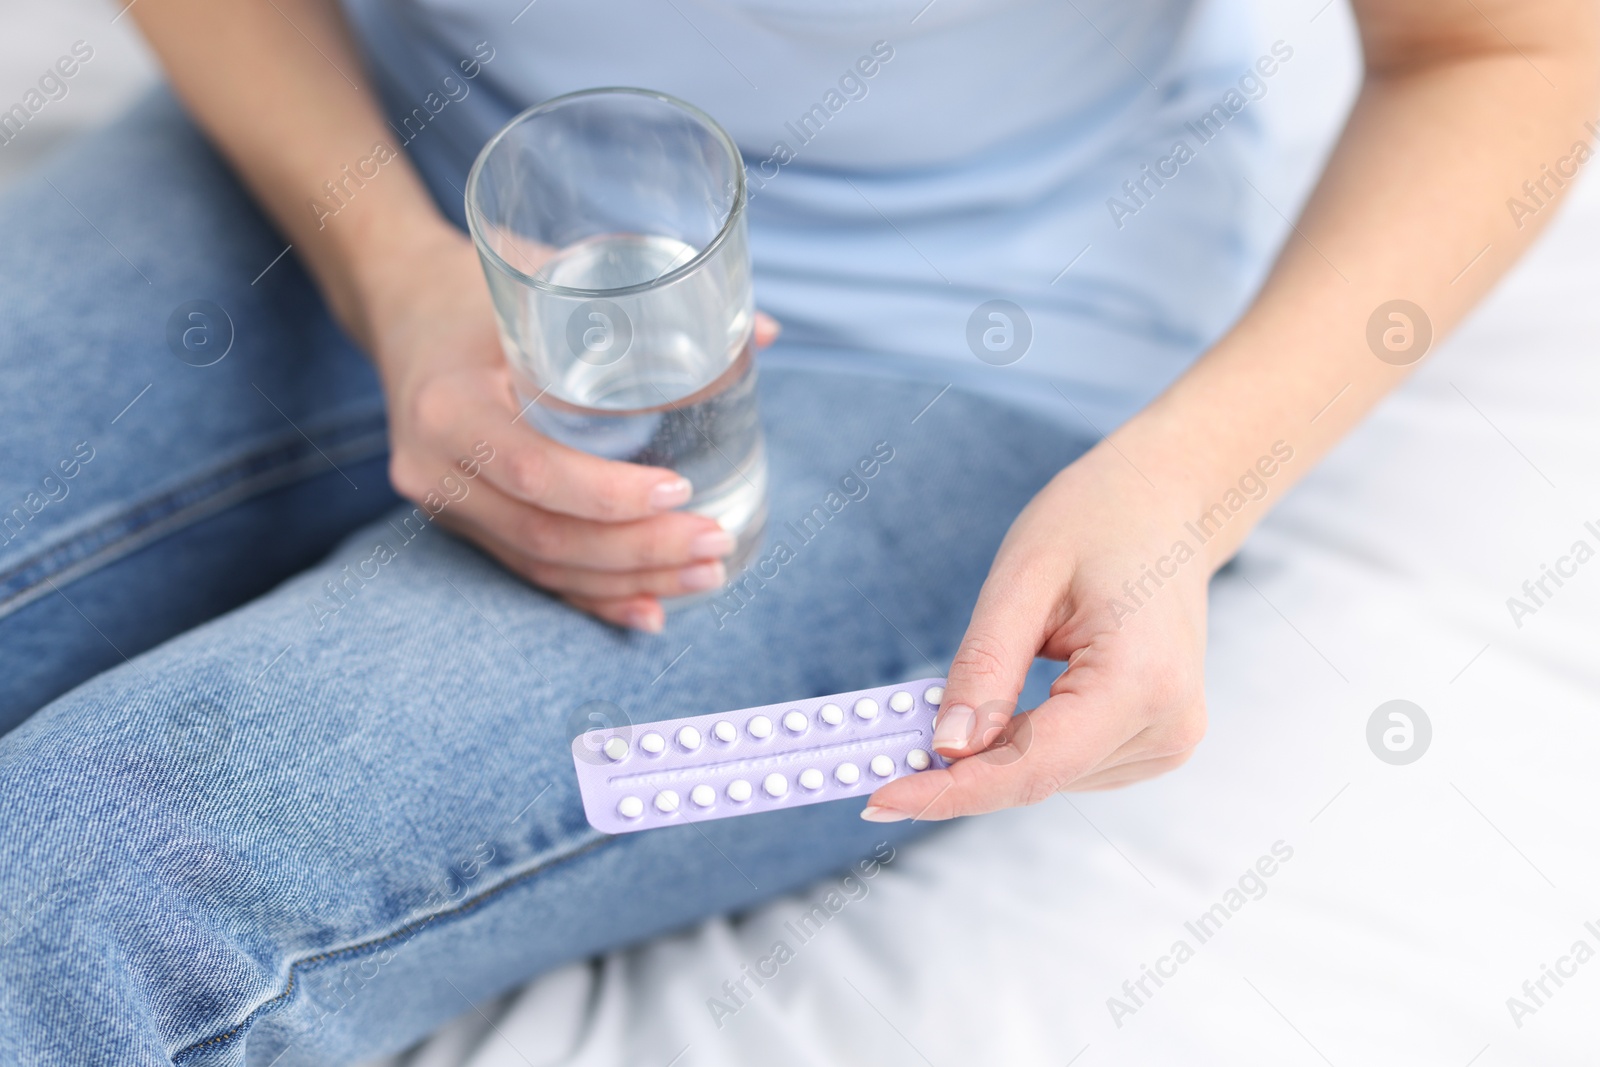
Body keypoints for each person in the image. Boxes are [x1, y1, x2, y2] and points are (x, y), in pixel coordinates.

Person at [0, 0, 1591, 1062]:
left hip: (953, 343)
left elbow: (1504, 44)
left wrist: (1194, 481)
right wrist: (387, 266)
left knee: (112, 873)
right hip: (367, 139)